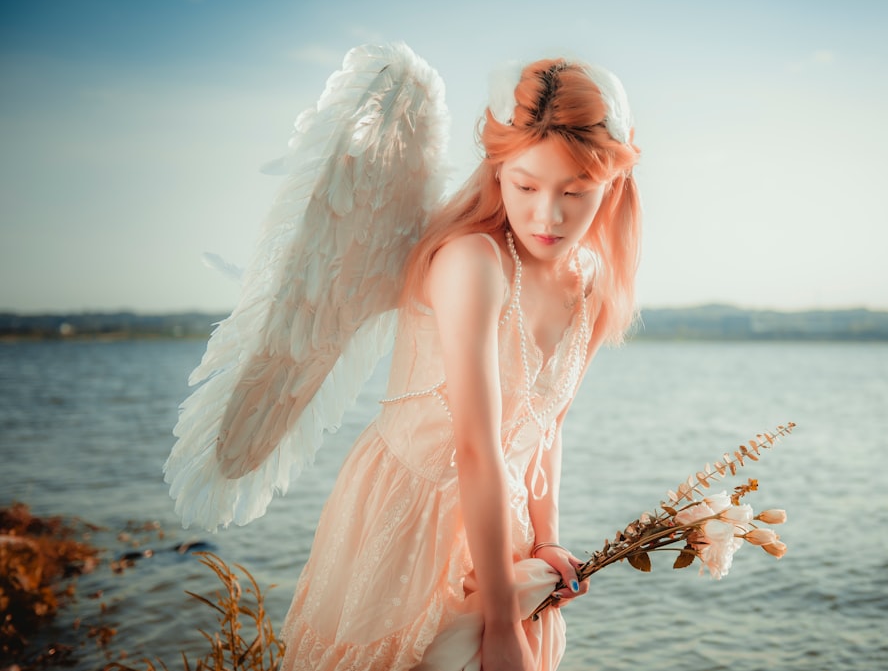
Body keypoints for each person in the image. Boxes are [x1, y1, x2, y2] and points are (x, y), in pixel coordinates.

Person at [166, 44, 640, 671]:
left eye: (575, 192)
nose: (546, 216)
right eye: (526, 185)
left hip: (504, 516)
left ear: (612, 184)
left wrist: (545, 541)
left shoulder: (587, 280)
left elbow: (547, 427)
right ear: (497, 170)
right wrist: (499, 623)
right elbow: (475, 445)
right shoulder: (473, 262)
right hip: (412, 509)